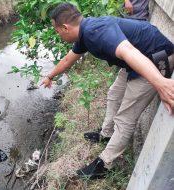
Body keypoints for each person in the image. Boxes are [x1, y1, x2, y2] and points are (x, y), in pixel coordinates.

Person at [40, 3, 174, 178]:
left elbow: (128, 51)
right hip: (137, 60)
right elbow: (68, 60)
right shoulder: (85, 32)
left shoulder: (95, 31)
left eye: (58, 31)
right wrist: (50, 76)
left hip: (155, 58)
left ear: (65, 27)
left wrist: (160, 82)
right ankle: (106, 134)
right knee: (114, 93)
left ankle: (104, 165)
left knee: (125, 117)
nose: (59, 35)